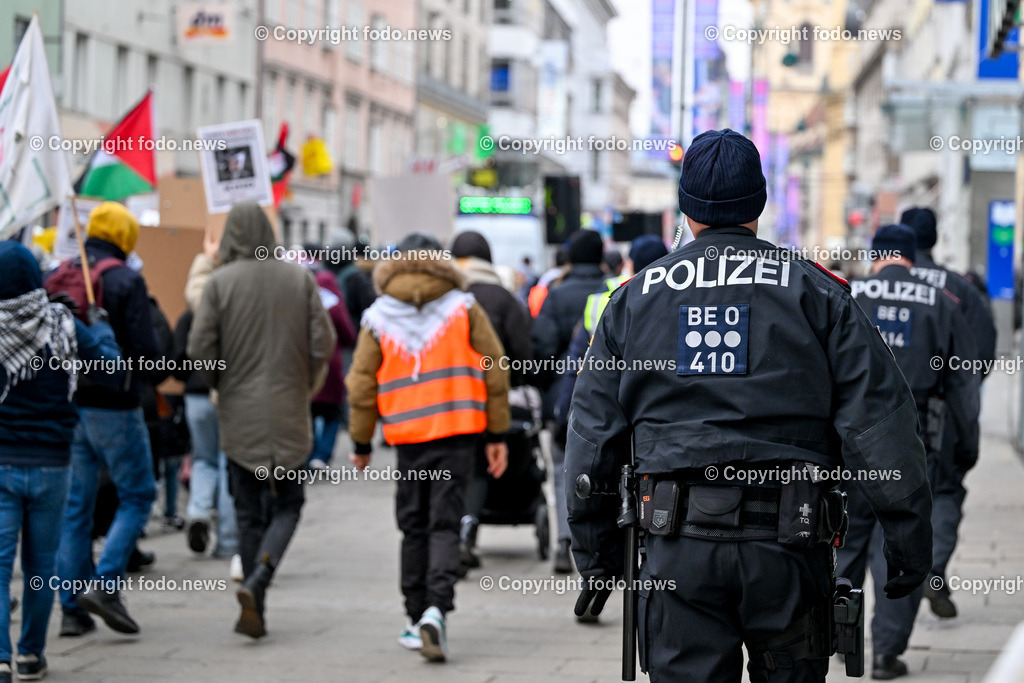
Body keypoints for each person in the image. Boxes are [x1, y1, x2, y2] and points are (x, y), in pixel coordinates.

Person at [566, 129, 933, 682]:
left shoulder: (633, 302)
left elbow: (591, 442)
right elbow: (882, 424)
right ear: (759, 204)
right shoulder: (819, 294)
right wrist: (907, 542)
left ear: (685, 209)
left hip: (675, 548)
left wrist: (596, 558)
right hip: (789, 544)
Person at [346, 233, 510, 662]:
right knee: (444, 523)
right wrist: (497, 435)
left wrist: (361, 442)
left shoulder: (376, 317)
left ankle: (414, 614)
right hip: (458, 434)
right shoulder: (464, 307)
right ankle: (437, 611)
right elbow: (495, 369)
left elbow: (361, 385)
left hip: (406, 440)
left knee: (413, 526)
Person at [188, 201, 335, 639]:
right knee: (290, 503)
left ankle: (256, 596)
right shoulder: (299, 279)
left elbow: (200, 348)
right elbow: (322, 341)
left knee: (249, 511)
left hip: (239, 413)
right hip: (290, 408)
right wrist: (305, 383)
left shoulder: (218, 284)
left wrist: (221, 383)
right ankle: (261, 579)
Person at [838, 225, 978, 680]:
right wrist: (964, 451)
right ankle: (885, 654)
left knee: (844, 541)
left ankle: (839, 637)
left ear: (876, 256)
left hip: (850, 444)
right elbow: (963, 388)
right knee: (899, 544)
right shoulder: (942, 302)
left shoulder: (846, 294)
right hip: (914, 446)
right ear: (911, 258)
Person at [0, 243, 122, 683]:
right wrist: (101, 328)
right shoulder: (63, 324)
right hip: (53, 464)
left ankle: (0, 655)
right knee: (40, 566)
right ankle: (31, 655)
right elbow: (112, 370)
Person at [51, 202, 161, 637]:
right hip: (115, 406)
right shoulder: (125, 280)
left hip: (68, 402)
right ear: (126, 235)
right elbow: (146, 354)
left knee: (75, 507)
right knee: (138, 494)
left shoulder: (59, 272)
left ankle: (70, 608)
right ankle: (107, 584)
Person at [900, 206, 995, 620]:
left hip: (884, 420)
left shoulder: (876, 287)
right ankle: (933, 574)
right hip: (945, 417)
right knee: (946, 493)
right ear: (935, 239)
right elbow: (981, 356)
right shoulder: (961, 289)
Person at [450, 231, 532, 570]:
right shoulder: (503, 298)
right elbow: (523, 353)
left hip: (448, 398)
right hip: (489, 399)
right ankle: (467, 530)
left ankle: (450, 533)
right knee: (480, 466)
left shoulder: (449, 295)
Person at [532, 229, 607, 573]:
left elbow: (543, 348)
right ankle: (600, 554)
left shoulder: (556, 295)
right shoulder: (614, 291)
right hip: (606, 403)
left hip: (564, 403)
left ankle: (564, 542)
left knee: (563, 472)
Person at [307, 266, 356, 469]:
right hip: (331, 364)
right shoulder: (334, 303)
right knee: (332, 414)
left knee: (308, 414)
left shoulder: (302, 300)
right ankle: (322, 454)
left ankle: (311, 453)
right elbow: (348, 334)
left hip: (307, 365)